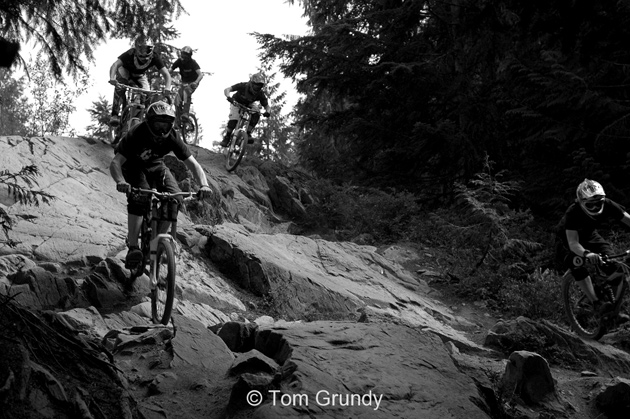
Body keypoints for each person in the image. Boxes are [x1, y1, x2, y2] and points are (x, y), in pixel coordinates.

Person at [109, 100, 212, 268]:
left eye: (166, 125)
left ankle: (157, 241)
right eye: (158, 124)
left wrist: (204, 185)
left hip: (157, 166)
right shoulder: (137, 133)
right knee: (140, 197)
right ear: (149, 122)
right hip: (133, 165)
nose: (162, 130)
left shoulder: (172, 136)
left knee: (176, 199)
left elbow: (193, 164)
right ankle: (133, 246)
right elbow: (116, 162)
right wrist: (120, 181)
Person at [557, 179, 630, 315]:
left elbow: (628, 220)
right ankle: (595, 302)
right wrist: (586, 254)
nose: (596, 207)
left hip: (590, 235)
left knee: (613, 264)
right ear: (581, 202)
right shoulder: (573, 212)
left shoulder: (607, 204)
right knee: (577, 263)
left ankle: (611, 308)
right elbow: (573, 243)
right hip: (567, 239)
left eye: (599, 203)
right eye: (590, 205)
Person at [108, 35, 172, 126]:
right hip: (125, 71)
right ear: (136, 48)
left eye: (147, 49)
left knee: (147, 93)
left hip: (139, 75)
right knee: (120, 87)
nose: (144, 53)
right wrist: (112, 78)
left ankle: (142, 116)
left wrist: (167, 87)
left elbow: (166, 74)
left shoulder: (154, 57)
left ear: (152, 49)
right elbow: (115, 65)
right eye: (141, 49)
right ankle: (115, 114)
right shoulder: (130, 53)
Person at [219, 72, 271, 147]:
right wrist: (228, 97)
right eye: (256, 86)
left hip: (249, 104)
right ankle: (227, 137)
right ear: (251, 83)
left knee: (257, 113)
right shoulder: (243, 86)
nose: (257, 88)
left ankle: (248, 133)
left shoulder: (260, 93)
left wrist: (268, 112)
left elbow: (267, 106)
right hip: (236, 102)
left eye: (259, 87)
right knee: (234, 120)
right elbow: (227, 89)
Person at [171, 46, 203, 120]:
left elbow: (200, 74)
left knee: (186, 92)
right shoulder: (179, 61)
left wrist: (196, 82)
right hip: (184, 82)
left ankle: (186, 113)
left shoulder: (193, 63)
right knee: (177, 99)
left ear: (189, 57)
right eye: (182, 55)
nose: (183, 58)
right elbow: (170, 70)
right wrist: (165, 73)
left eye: (185, 56)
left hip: (193, 82)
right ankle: (178, 118)